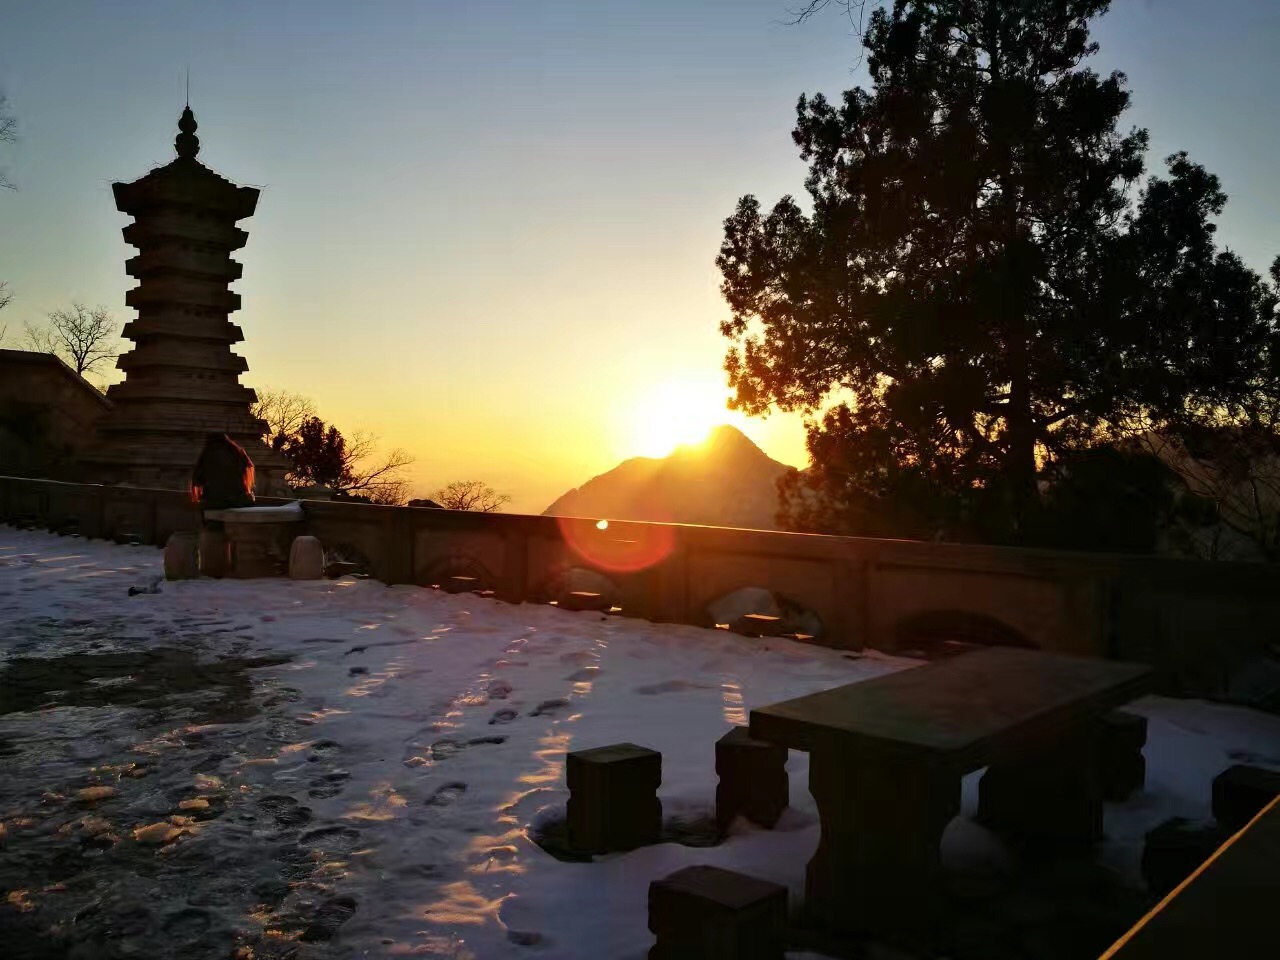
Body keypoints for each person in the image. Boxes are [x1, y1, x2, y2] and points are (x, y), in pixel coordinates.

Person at [190, 433, 256, 514]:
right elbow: (249, 466)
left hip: (215, 502)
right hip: (239, 500)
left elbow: (197, 481)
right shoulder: (236, 451)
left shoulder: (208, 453)